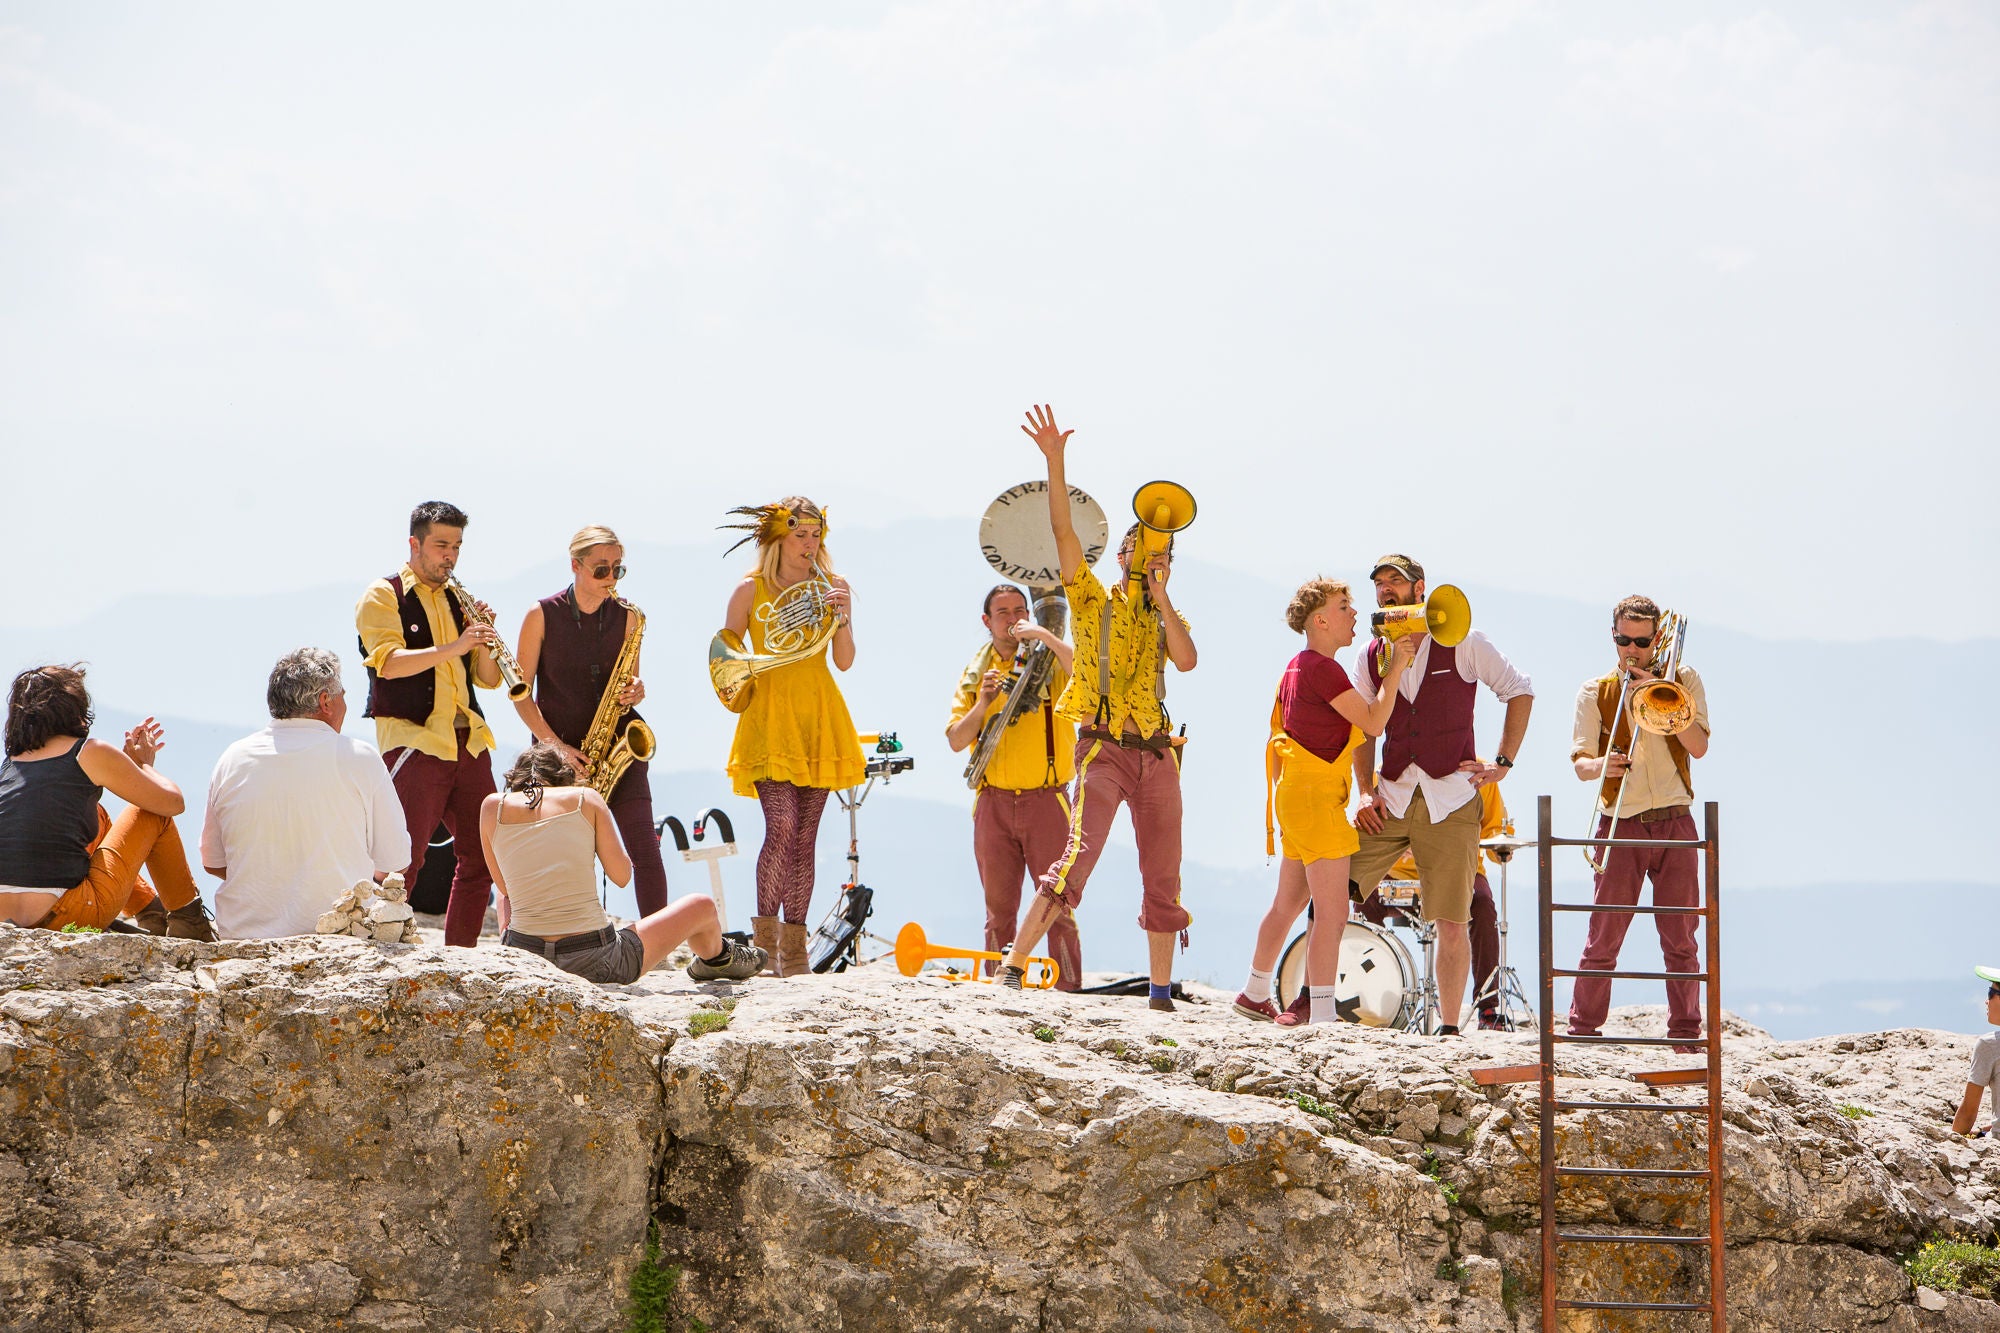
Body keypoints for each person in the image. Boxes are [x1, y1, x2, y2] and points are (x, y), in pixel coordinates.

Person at [993, 406, 1199, 1013]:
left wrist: (1161, 595)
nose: (1153, 555)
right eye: (1144, 547)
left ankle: (1160, 993)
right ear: (1123, 556)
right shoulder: (1089, 598)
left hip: (1158, 753)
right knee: (1078, 853)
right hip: (1104, 748)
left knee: (1164, 871)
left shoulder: (1167, 613)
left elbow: (1186, 662)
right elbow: (1063, 538)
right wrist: (1055, 463)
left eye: (1161, 551)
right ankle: (1014, 966)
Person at [1348, 555, 1533, 1037]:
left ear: (1420, 589)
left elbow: (1519, 690)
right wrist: (1364, 792)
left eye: (1395, 582)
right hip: (1390, 794)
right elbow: (1364, 730)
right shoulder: (1371, 653)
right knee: (1331, 885)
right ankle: (1318, 1001)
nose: (1386, 590)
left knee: (1454, 918)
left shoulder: (1466, 641)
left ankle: (1449, 1030)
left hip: (1450, 797)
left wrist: (1503, 762)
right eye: (1379, 584)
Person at [1236, 579, 1410, 1025]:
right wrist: (1397, 669)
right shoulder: (1324, 668)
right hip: (1317, 800)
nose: (1355, 613)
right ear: (1321, 620)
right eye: (1344, 606)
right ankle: (1324, 1015)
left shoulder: (1294, 667)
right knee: (1332, 913)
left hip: (1295, 796)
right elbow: (1373, 721)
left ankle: (1255, 993)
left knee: (1287, 904)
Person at [718, 496, 863, 977]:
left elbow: (844, 662)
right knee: (779, 826)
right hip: (769, 717)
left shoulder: (832, 586)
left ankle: (795, 955)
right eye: (800, 535)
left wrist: (843, 617)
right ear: (777, 538)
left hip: (818, 715)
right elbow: (727, 660)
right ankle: (763, 949)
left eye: (816, 534)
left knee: (805, 836)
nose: (810, 544)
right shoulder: (750, 590)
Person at [480, 742, 765, 986]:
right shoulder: (585, 799)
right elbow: (621, 876)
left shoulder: (492, 806)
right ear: (565, 778)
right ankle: (718, 958)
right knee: (701, 906)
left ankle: (717, 958)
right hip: (597, 960)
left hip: (526, 958)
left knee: (509, 899)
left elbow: (505, 888)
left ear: (514, 780)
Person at [354, 500, 506, 948]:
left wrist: (484, 640)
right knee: (403, 859)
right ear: (414, 544)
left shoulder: (458, 600)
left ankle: (459, 957)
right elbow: (389, 664)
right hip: (414, 741)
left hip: (469, 741)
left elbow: (490, 680)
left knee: (483, 857)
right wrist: (459, 644)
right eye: (441, 545)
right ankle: (377, 953)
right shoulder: (383, 595)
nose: (450, 556)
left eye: (457, 546)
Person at [1567, 594, 1710, 1052]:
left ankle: (1686, 1036)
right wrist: (1601, 765)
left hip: (1675, 819)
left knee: (1681, 935)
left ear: (1657, 639)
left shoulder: (1682, 680)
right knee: (1603, 934)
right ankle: (1583, 1032)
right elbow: (1580, 763)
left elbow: (1699, 746)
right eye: (1623, 641)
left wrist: (1660, 700)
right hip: (1620, 820)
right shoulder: (1596, 690)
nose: (1632, 651)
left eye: (1642, 642)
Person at [511, 525, 669, 918]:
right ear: (575, 566)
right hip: (555, 758)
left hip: (617, 748)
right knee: (551, 856)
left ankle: (654, 942)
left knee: (645, 851)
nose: (611, 579)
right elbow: (520, 694)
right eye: (602, 570)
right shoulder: (541, 615)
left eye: (618, 569)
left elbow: (628, 681)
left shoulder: (629, 617)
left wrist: (636, 692)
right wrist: (557, 748)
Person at [199, 648, 408, 938]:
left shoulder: (233, 757)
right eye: (342, 695)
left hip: (244, 937)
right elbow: (395, 862)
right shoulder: (359, 757)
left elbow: (213, 862)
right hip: (338, 938)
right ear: (326, 701)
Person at [0, 664, 214, 937]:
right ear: (75, 706)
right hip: (65, 913)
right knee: (151, 812)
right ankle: (190, 922)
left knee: (96, 814)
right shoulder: (88, 752)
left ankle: (150, 910)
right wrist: (143, 766)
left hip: (6, 920)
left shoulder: (11, 765)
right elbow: (172, 803)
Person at [945, 582, 1082, 991]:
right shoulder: (976, 670)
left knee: (1057, 903)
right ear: (986, 622)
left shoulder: (1047, 659)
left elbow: (1083, 673)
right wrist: (983, 704)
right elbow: (955, 739)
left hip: (1046, 798)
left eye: (1020, 609)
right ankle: (999, 985)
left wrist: (1043, 634)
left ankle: (1069, 990)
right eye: (1002, 612)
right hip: (993, 801)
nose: (1012, 618)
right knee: (998, 908)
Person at [1354, 776, 1514, 1030]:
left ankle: (1488, 1006)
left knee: (1482, 902)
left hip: (1458, 869)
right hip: (1398, 874)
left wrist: (1499, 843)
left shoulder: (1481, 776)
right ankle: (1368, 993)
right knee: (1362, 897)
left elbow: (1494, 828)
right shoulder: (1384, 771)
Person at [1951, 966, 2000, 1137]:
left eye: (1990, 993)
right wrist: (1982, 1131)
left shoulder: (1989, 1045)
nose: (1986, 1001)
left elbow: (1968, 1113)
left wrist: (1952, 1142)